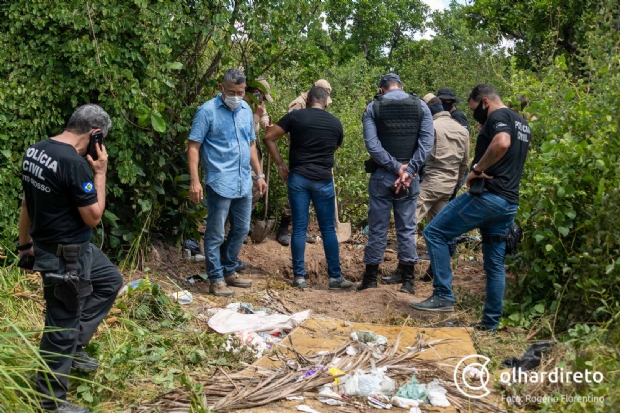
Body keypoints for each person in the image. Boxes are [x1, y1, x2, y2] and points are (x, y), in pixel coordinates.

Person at [17, 104, 123, 413]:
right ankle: (50, 402)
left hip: (73, 249)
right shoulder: (73, 164)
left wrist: (24, 245)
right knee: (60, 326)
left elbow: (26, 201)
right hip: (66, 258)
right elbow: (93, 216)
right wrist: (100, 173)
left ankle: (74, 348)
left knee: (109, 281)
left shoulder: (36, 150)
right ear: (95, 134)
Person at [411, 84, 531, 332]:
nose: (474, 113)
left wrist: (476, 170)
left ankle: (443, 295)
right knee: (494, 264)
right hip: (509, 202)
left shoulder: (499, 116)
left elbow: (502, 142)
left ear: (485, 101)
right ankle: (490, 323)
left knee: (435, 233)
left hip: (489, 196)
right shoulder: (522, 123)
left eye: (475, 108)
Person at [263, 86, 352, 289]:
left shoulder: (295, 117)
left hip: (299, 178)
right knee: (328, 230)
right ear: (326, 101)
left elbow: (269, 137)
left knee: (299, 229)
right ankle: (335, 277)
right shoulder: (335, 123)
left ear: (308, 99)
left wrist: (281, 165)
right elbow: (333, 148)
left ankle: (299, 277)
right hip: (323, 180)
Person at [188, 68, 266, 297]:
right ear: (221, 88)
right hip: (220, 181)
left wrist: (259, 175)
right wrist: (195, 181)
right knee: (215, 233)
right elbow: (193, 147)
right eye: (232, 91)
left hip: (244, 181)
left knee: (241, 229)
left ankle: (229, 269)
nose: (236, 96)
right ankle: (215, 278)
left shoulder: (245, 110)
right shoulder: (207, 111)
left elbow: (251, 145)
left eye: (241, 92)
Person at [358, 73, 434, 294]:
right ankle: (408, 282)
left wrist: (395, 167)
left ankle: (370, 278)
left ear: (382, 89)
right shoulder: (421, 106)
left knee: (377, 228)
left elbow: (372, 146)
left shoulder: (374, 107)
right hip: (410, 179)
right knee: (407, 229)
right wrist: (409, 171)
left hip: (383, 176)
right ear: (401, 86)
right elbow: (426, 144)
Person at [382, 97, 469, 285]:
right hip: (449, 185)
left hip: (430, 184)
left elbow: (421, 156)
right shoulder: (462, 129)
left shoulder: (432, 127)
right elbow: (464, 164)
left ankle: (404, 270)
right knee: (440, 230)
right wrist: (455, 186)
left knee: (408, 225)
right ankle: (435, 272)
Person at [275, 79, 334, 246]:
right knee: (296, 195)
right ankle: (284, 228)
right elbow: (294, 129)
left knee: (308, 195)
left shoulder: (314, 103)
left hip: (315, 156)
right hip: (301, 156)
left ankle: (301, 228)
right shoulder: (298, 104)